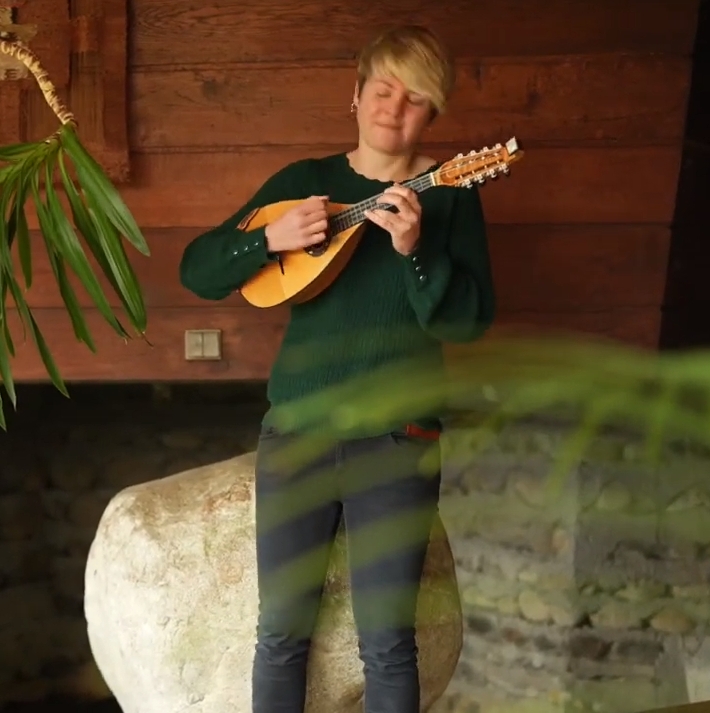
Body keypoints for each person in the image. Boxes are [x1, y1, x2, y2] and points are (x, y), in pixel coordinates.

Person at [179, 24, 495, 713]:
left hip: (399, 440)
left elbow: (465, 322)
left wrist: (416, 251)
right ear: (354, 96)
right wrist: (267, 239)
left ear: (433, 113)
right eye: (382, 89)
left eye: (415, 98)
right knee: (280, 634)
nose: (394, 106)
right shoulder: (306, 182)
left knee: (388, 644)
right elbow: (198, 270)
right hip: (298, 434)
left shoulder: (451, 198)